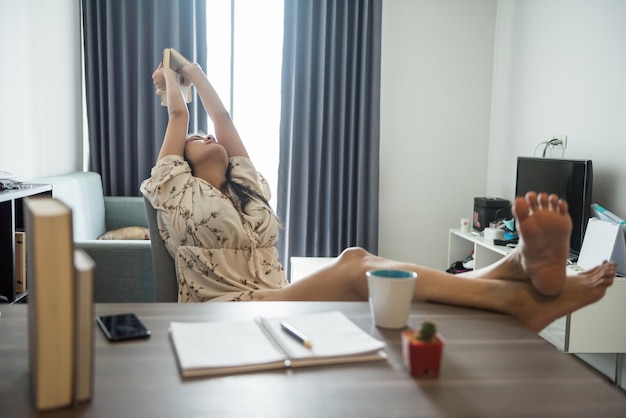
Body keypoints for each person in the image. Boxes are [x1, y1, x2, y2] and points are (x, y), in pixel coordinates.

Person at [141, 62, 616, 333]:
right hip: (225, 319)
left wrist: (198, 74)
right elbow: (180, 117)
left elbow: (220, 114)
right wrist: (175, 85)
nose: (209, 135)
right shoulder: (176, 192)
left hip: (273, 298)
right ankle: (514, 297)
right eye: (197, 137)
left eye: (212, 135)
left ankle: (508, 272)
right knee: (353, 265)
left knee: (356, 261)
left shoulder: (248, 191)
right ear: (179, 157)